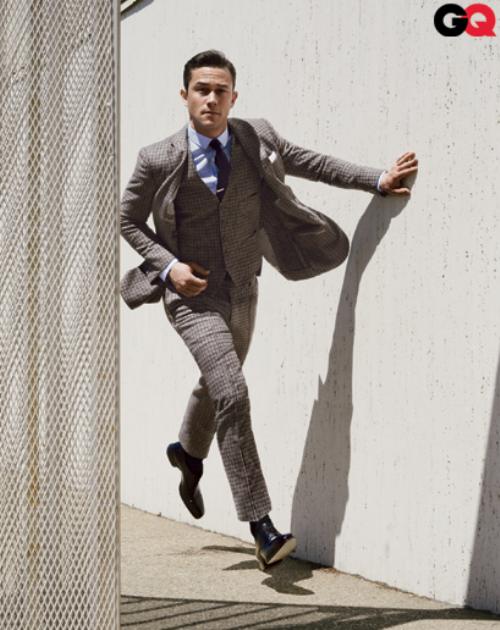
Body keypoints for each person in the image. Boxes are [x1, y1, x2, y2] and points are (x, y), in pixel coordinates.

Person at [120, 49, 418, 570]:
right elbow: (126, 218)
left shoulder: (256, 137)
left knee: (221, 383)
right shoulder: (158, 158)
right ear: (185, 95)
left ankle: (188, 453)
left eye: (221, 91)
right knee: (233, 391)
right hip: (191, 298)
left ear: (234, 97)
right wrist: (169, 268)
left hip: (243, 288)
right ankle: (262, 525)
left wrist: (377, 179)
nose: (211, 99)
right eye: (201, 89)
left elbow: (313, 163)